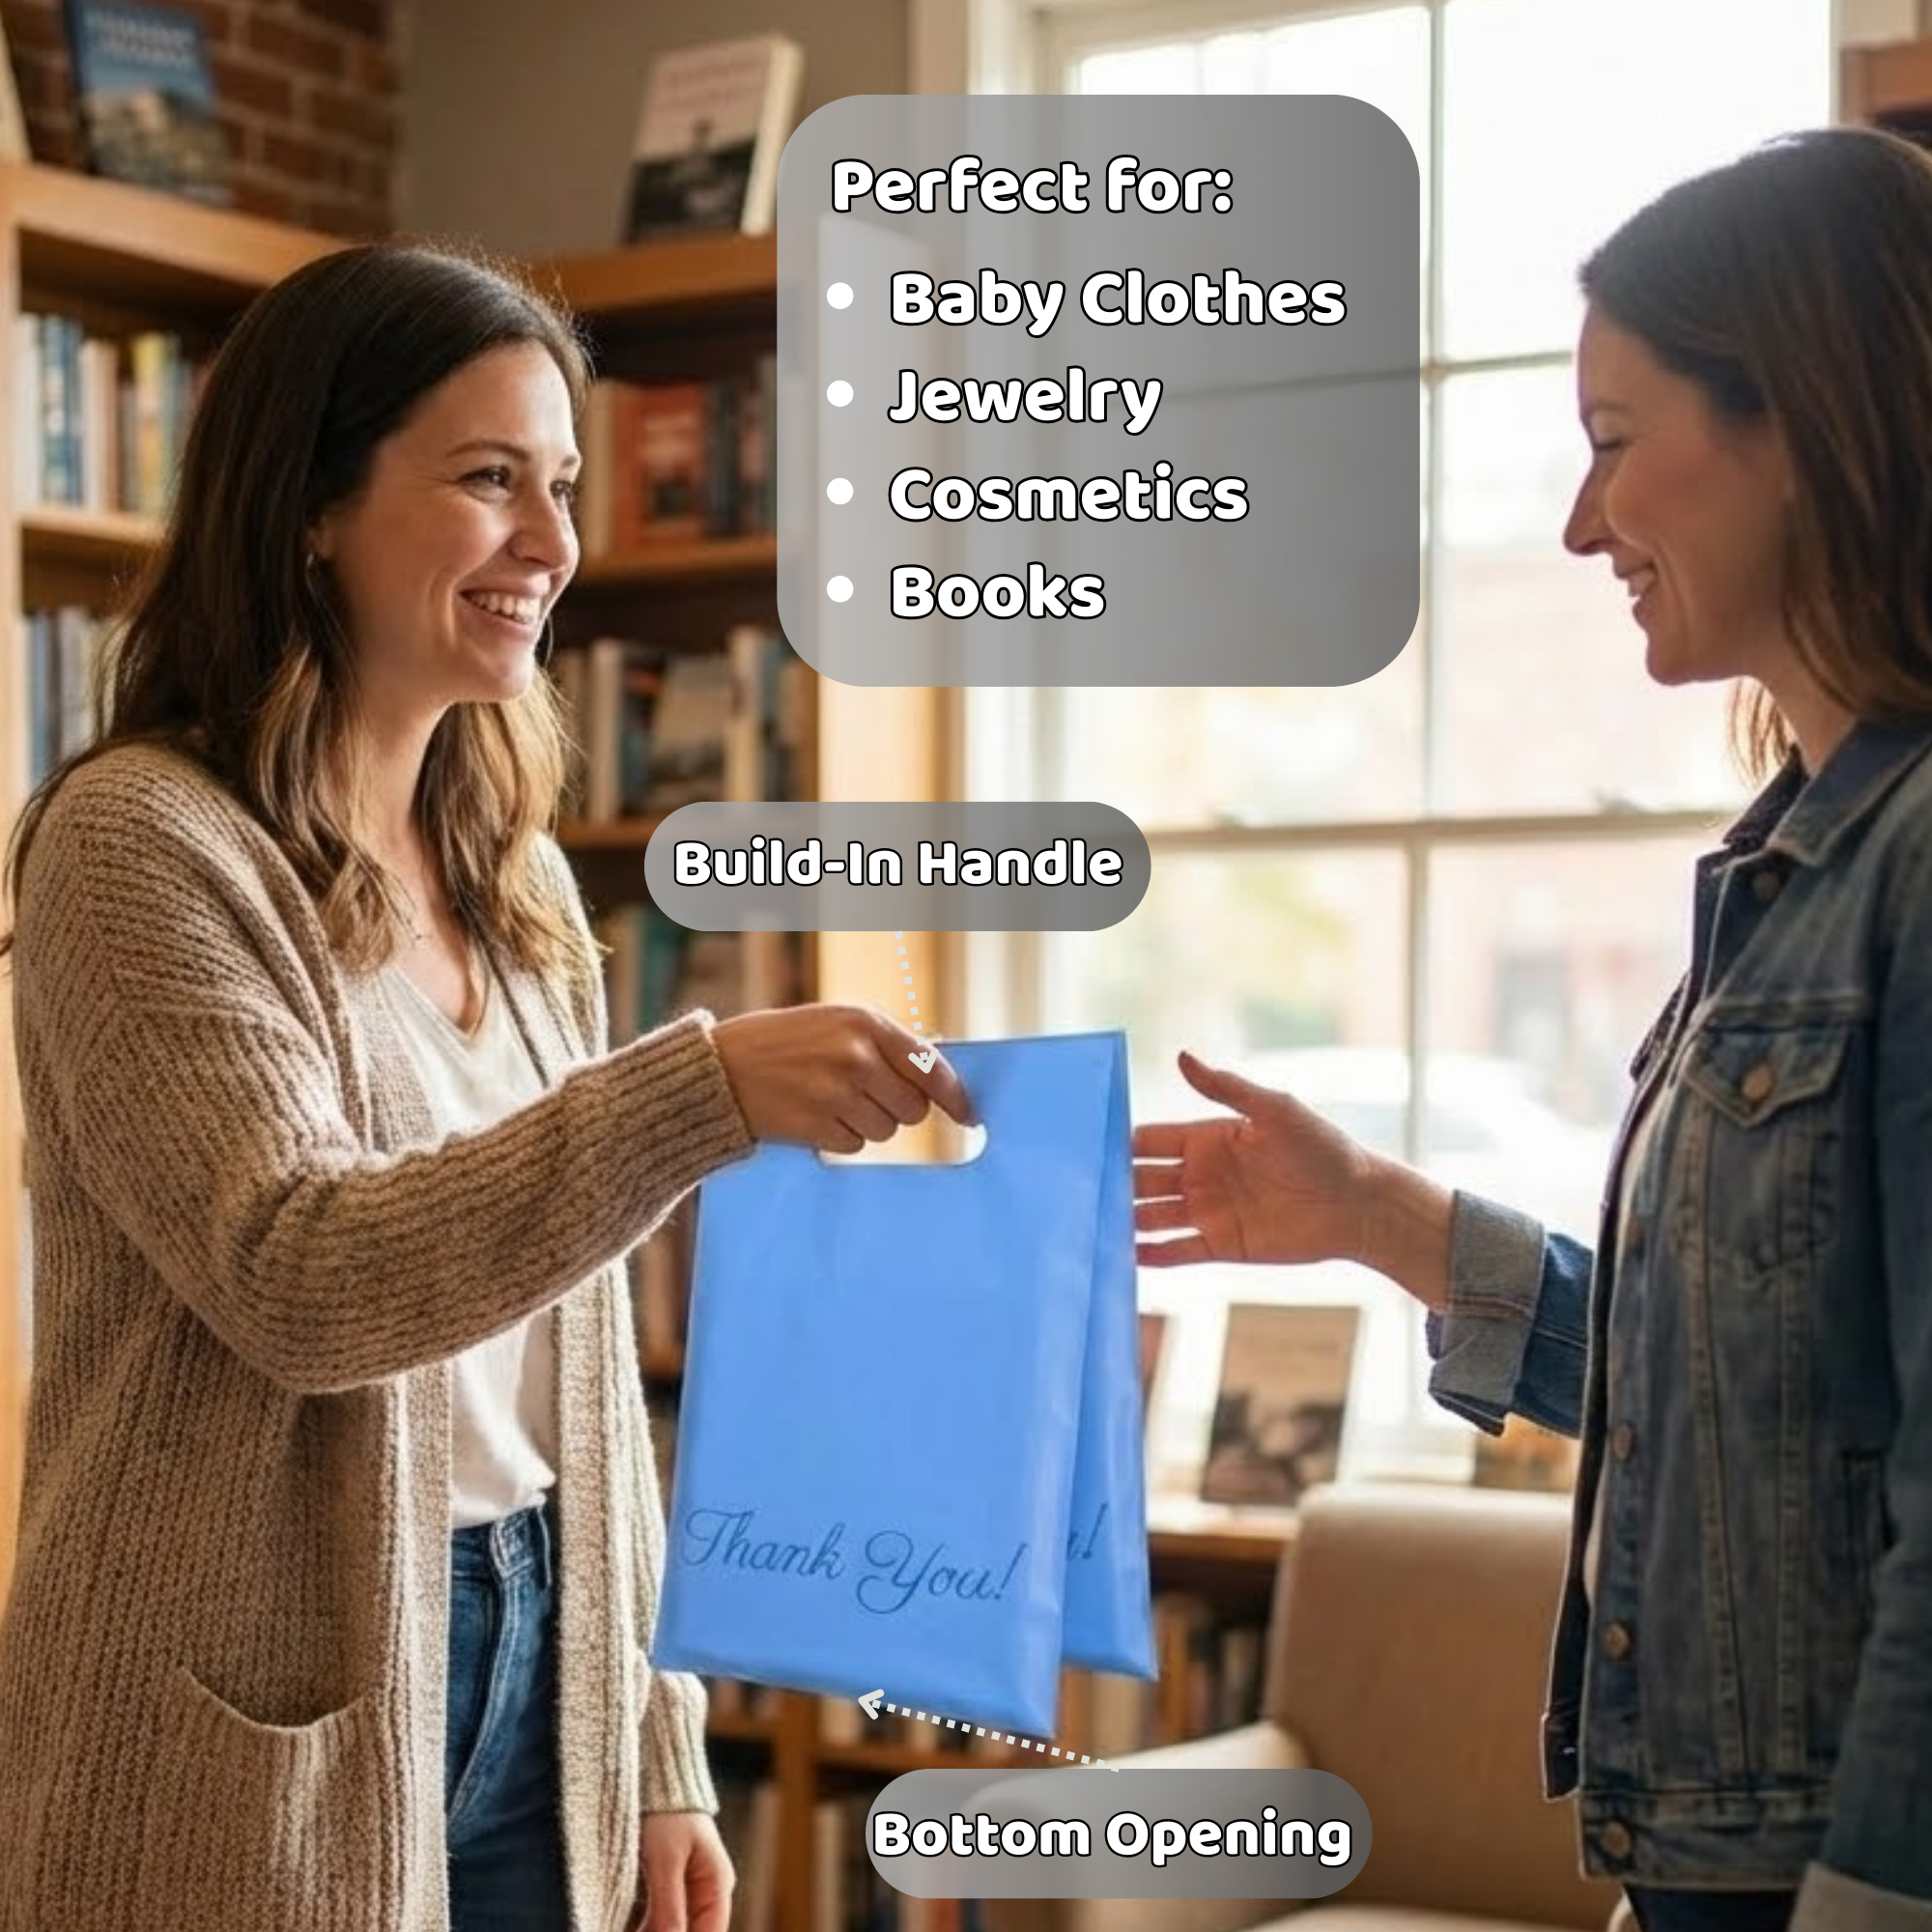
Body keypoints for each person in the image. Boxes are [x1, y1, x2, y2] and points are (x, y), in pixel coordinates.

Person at [0, 240, 969, 1932]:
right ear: (311, 505)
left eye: (564, 485)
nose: (552, 543)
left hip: (545, 1652)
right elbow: (301, 1275)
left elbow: (580, 1361)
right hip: (245, 1703)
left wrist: (659, 1738)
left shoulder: (510, 885)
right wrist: (704, 1092)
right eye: (487, 479)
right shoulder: (142, 849)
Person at [1133, 128, 1932, 1932]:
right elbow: (1736, 1414)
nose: (1582, 526)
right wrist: (1379, 1223)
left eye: (1615, 445)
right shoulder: (1785, 870)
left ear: (1795, 421)